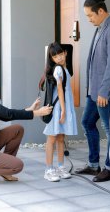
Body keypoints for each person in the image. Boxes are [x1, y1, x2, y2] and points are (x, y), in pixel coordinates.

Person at [75, 0, 110, 182]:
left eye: (90, 16)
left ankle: (109, 168)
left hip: (106, 93)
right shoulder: (100, 27)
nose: (89, 20)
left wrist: (104, 90)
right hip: (94, 91)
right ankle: (94, 164)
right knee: (87, 122)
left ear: (101, 11)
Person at [43, 42, 78, 182]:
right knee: (52, 138)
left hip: (63, 107)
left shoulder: (65, 69)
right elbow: (59, 90)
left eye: (60, 54)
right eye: (55, 56)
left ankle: (60, 167)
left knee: (60, 138)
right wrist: (63, 109)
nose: (58, 58)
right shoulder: (58, 69)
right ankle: (48, 169)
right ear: (51, 58)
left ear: (65, 53)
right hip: (58, 108)